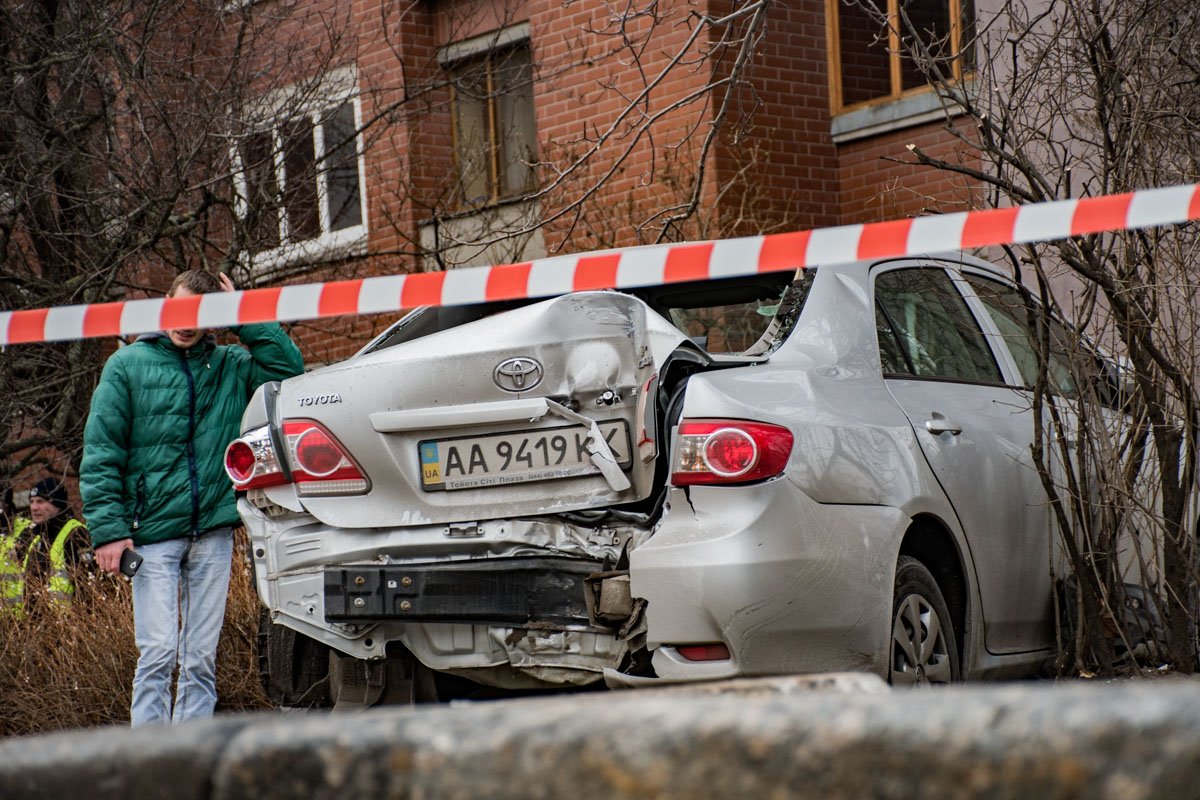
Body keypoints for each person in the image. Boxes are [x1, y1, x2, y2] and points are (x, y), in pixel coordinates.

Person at [81, 270, 304, 726]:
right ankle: (148, 762)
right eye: (181, 309)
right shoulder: (126, 365)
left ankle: (192, 756)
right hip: (151, 534)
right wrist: (109, 532)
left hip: (213, 534)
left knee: (201, 658)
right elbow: (102, 452)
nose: (187, 323)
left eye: (202, 314)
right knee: (159, 653)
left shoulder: (229, 365)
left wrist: (242, 313)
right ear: (166, 301)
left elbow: (288, 370)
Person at [0, 477, 89, 617]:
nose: (34, 507)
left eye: (41, 501)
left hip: (69, 627)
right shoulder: (37, 539)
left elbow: (90, 589)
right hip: (39, 629)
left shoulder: (76, 535)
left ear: (57, 505)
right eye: (32, 502)